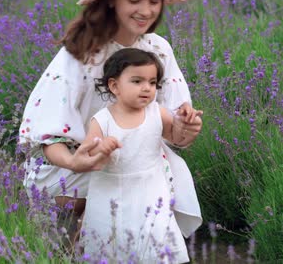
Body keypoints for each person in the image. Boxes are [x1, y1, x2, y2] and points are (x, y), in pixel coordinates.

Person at [18, 0, 203, 241]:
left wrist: (186, 129)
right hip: (76, 164)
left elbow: (174, 131)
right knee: (119, 193)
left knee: (155, 180)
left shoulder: (158, 50)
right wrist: (74, 162)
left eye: (155, 1)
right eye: (134, 0)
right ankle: (83, 242)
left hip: (137, 162)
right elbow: (48, 137)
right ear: (111, 1)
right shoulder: (81, 54)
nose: (146, 10)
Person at [81, 48, 199, 263]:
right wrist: (102, 149)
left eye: (152, 83)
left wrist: (184, 123)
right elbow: (90, 156)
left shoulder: (157, 112)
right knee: (112, 238)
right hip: (111, 192)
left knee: (156, 236)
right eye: (137, 81)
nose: (147, 88)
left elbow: (175, 136)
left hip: (151, 188)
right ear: (114, 86)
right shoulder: (102, 120)